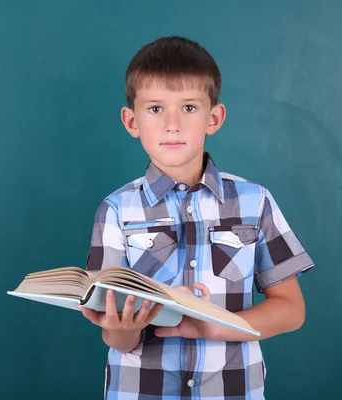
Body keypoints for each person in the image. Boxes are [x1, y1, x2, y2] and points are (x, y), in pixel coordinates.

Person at [79, 36, 314, 400]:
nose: (172, 124)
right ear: (132, 121)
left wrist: (212, 326)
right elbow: (114, 336)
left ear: (213, 117)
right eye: (155, 109)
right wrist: (124, 327)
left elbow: (291, 310)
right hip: (140, 391)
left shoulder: (255, 201)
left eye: (188, 107)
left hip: (233, 390)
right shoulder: (116, 210)